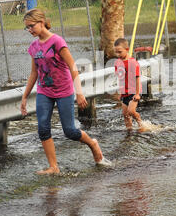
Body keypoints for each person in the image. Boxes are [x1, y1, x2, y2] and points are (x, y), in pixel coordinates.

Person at [20, 9, 111, 175]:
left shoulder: (57, 41)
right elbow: (34, 73)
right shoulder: (33, 47)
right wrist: (24, 96)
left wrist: (79, 93)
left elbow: (73, 67)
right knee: (43, 128)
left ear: (41, 22)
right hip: (44, 91)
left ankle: (92, 144)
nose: (30, 30)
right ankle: (53, 167)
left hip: (64, 90)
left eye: (31, 26)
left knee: (69, 131)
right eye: (27, 28)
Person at [113, 38, 145, 132]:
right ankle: (129, 132)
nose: (118, 54)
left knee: (131, 111)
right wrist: (120, 92)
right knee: (125, 115)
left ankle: (141, 124)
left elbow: (137, 78)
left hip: (134, 91)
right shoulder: (117, 63)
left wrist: (137, 93)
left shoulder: (132, 63)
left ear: (126, 49)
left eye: (120, 52)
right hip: (124, 92)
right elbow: (120, 78)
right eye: (116, 52)